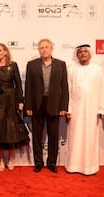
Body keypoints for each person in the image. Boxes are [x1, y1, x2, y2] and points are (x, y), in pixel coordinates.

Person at [24, 39, 69, 173]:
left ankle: (51, 163)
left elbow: (64, 87)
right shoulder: (31, 65)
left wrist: (63, 107)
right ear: (39, 50)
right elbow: (28, 87)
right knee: (37, 136)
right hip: (37, 104)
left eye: (46, 47)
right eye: (41, 47)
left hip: (54, 104)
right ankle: (38, 163)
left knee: (53, 136)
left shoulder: (61, 65)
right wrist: (28, 106)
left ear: (51, 49)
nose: (44, 49)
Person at [65, 44, 104, 175]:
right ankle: (73, 166)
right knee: (75, 137)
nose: (83, 54)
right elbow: (68, 90)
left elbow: (102, 89)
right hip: (76, 110)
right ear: (77, 55)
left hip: (93, 110)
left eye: (85, 51)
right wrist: (69, 109)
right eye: (80, 52)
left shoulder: (98, 69)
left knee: (90, 137)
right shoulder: (71, 69)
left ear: (90, 54)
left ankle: (90, 167)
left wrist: (101, 109)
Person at [0, 43, 29, 171]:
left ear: (5, 51)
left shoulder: (13, 65)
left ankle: (11, 159)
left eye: (0, 50)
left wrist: (20, 101)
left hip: (11, 100)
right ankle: (0, 160)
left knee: (12, 131)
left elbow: (18, 84)